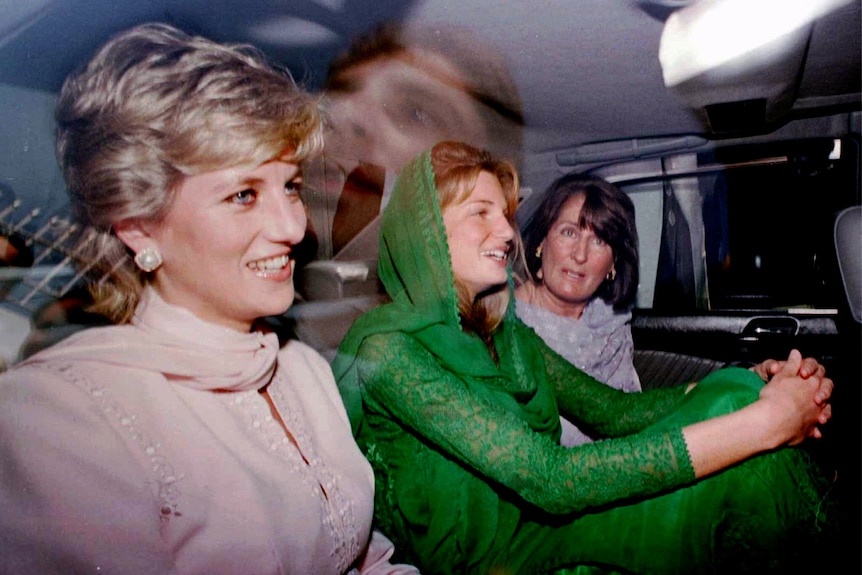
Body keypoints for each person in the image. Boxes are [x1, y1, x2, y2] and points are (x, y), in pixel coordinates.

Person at [0, 24, 415, 575]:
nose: (292, 226)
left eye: (291, 186)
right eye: (243, 195)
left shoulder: (303, 370)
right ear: (139, 228)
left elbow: (366, 560)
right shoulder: (60, 419)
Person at [333, 141, 836, 574]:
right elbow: (548, 478)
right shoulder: (389, 352)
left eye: (505, 216)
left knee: (737, 398)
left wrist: (754, 381)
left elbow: (615, 413)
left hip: (546, 525)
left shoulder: (501, 334)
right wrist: (767, 423)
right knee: (746, 442)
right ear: (425, 232)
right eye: (480, 213)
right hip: (502, 560)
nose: (508, 233)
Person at [516, 174, 809, 446]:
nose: (579, 255)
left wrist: (747, 380)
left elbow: (633, 414)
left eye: (599, 240)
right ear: (541, 240)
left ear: (613, 265)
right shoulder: (507, 324)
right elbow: (616, 415)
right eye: (568, 232)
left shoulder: (608, 325)